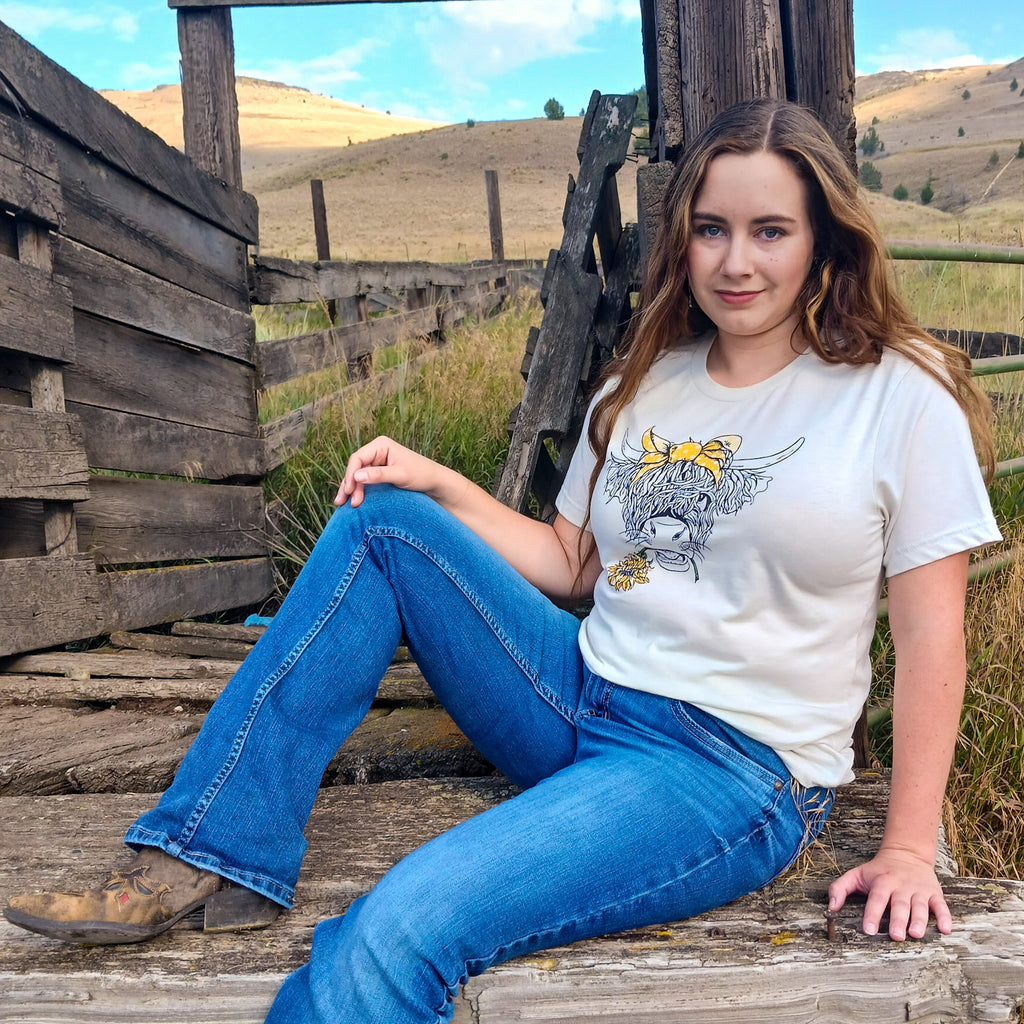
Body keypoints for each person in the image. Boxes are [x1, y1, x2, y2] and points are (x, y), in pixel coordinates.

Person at [4, 98, 1001, 1023]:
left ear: (822, 236)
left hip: (722, 772)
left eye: (769, 230)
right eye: (711, 228)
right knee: (380, 521)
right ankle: (211, 850)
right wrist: (440, 482)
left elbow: (930, 637)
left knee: (397, 934)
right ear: (683, 238)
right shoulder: (645, 384)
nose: (735, 261)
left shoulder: (896, 396)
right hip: (579, 687)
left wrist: (910, 845)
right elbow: (572, 564)